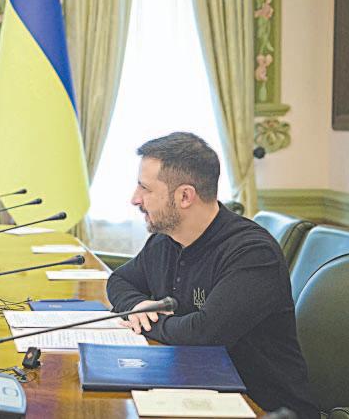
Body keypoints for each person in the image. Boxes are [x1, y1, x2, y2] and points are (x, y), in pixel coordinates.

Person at [106, 132, 318, 418]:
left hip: (262, 407)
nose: (135, 199)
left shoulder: (252, 253)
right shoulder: (165, 240)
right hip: (193, 388)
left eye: (145, 188)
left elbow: (203, 335)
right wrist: (137, 306)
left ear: (184, 196)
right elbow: (119, 280)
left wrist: (146, 323)